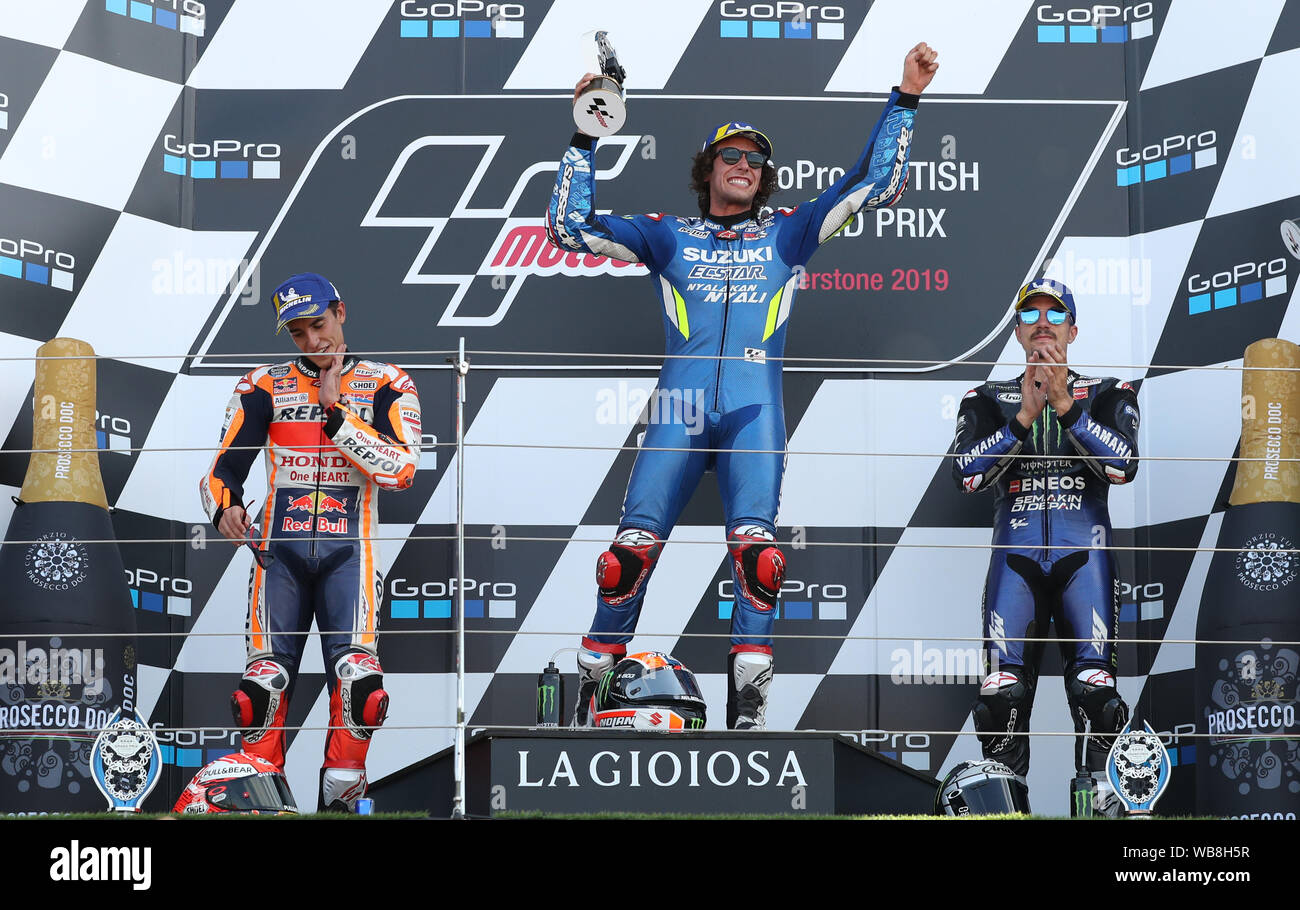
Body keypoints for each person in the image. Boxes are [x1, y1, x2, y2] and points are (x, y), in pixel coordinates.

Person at [547, 43, 940, 729]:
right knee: (625, 560)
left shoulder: (788, 235)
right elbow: (568, 228)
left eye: (756, 160)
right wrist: (585, 131)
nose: (745, 167)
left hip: (753, 409)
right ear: (708, 170)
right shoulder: (670, 236)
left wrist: (904, 98)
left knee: (759, 560)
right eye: (731, 156)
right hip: (679, 406)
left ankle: (748, 718)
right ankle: (591, 700)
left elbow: (874, 185)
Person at [199, 272, 421, 812]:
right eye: (298, 333)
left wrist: (334, 412)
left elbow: (402, 470)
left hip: (352, 553)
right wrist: (225, 507)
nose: (312, 341)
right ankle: (262, 800)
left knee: (361, 690)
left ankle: (340, 804)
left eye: (318, 325)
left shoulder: (390, 382)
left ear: (340, 312)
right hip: (280, 557)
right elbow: (222, 470)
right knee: (259, 692)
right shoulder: (262, 385)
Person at [950, 278, 1140, 811]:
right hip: (1015, 562)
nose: (1041, 323)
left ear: (1072, 330)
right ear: (1016, 333)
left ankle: (1097, 807)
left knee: (1096, 696)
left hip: (1087, 562)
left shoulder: (1109, 391)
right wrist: (1026, 415)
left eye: (1054, 315)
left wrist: (1064, 404)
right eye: (1030, 315)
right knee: (1000, 699)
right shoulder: (986, 398)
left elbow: (1123, 465)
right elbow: (967, 474)